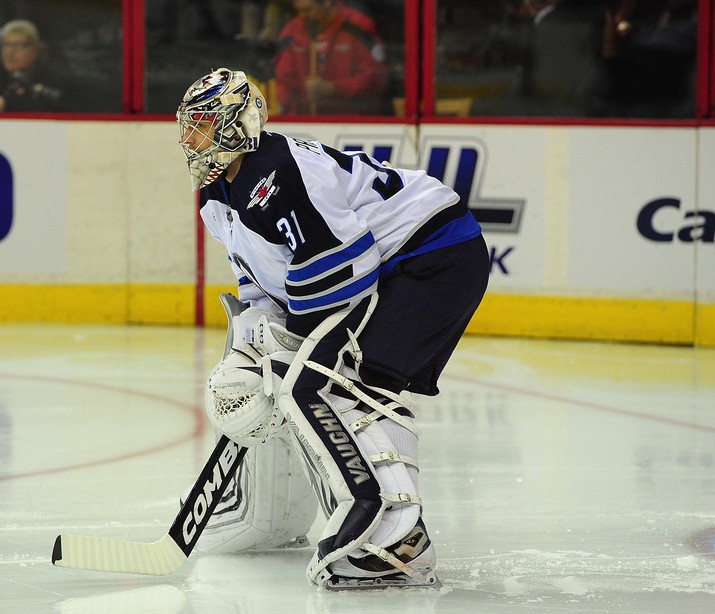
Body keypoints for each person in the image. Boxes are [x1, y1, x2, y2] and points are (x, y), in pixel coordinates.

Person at [176, 68, 489, 589]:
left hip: (433, 256)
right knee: (293, 377)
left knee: (326, 383)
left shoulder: (274, 171)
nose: (192, 138)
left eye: (204, 125)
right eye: (189, 127)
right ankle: (267, 517)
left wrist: (285, 347)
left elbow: (348, 266)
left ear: (237, 124)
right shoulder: (218, 195)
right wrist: (255, 342)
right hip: (403, 265)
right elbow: (263, 278)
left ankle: (398, 543)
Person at [274, 0, 389, 115]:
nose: (303, 16)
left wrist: (334, 88)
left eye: (308, 10)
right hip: (305, 120)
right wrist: (281, 104)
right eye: (299, 11)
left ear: (327, 2)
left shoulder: (358, 25)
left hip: (351, 119)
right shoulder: (293, 29)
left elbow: (375, 77)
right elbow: (283, 78)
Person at [0, 19, 64, 113]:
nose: (10, 52)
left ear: (35, 51)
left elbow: (56, 108)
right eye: (6, 45)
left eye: (19, 46)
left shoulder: (55, 81)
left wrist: (6, 103)